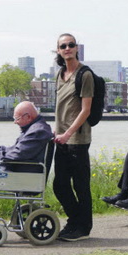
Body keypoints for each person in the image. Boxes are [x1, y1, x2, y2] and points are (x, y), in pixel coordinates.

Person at [53, 33, 94, 242]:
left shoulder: (84, 75)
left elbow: (85, 110)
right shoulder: (60, 74)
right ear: (58, 50)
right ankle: (75, 220)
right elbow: (61, 108)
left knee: (80, 185)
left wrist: (68, 132)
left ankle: (83, 227)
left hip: (77, 139)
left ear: (76, 48)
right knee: (59, 185)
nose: (67, 48)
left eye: (70, 45)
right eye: (63, 46)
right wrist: (56, 131)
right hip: (60, 139)